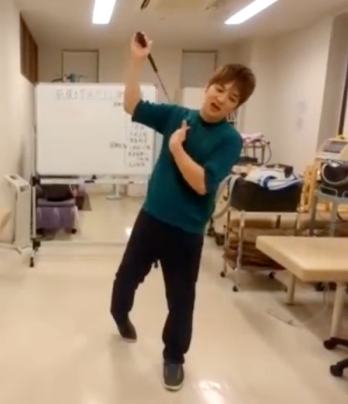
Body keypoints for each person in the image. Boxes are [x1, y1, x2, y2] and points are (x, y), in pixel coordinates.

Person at [110, 33, 256, 391]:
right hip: (150, 219)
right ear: (208, 87)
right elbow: (131, 105)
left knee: (181, 301)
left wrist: (176, 148)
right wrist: (137, 60)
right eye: (219, 89)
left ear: (235, 107)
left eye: (232, 97)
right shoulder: (177, 115)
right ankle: (120, 315)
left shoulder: (230, 140)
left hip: (187, 233)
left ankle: (174, 356)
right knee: (125, 280)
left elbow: (203, 184)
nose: (221, 98)